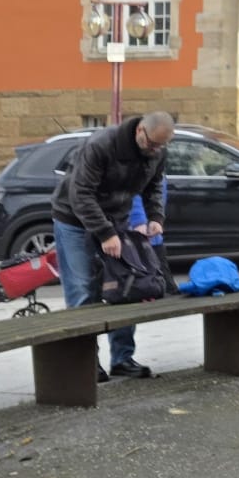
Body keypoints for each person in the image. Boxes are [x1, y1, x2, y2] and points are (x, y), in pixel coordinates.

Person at [51, 112, 174, 382]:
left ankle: (122, 358)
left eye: (160, 147)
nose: (154, 151)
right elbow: (80, 193)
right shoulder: (101, 144)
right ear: (140, 130)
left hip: (117, 219)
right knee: (84, 290)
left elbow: (154, 186)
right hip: (74, 220)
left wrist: (155, 217)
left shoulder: (156, 152)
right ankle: (85, 363)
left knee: (126, 287)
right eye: (151, 144)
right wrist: (106, 234)